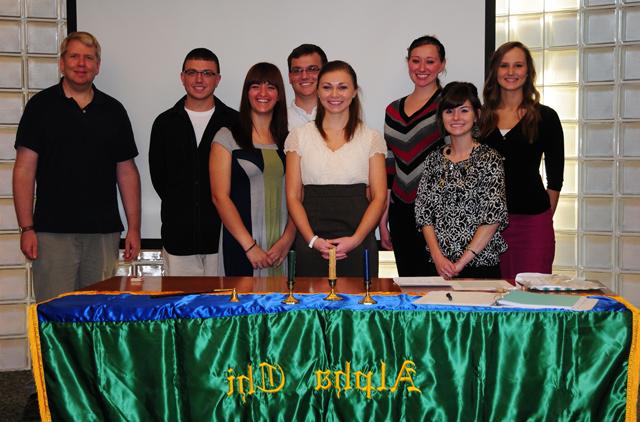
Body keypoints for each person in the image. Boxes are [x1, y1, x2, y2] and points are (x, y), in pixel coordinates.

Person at [12, 31, 141, 301]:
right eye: (74, 57)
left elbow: (127, 172)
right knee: (56, 319)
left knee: (98, 318)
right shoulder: (40, 107)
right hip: (51, 234)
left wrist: (135, 228)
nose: (81, 64)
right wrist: (26, 228)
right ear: (62, 63)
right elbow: (24, 170)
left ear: (97, 66)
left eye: (89, 58)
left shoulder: (113, 110)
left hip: (103, 235)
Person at [285, 60, 387, 277]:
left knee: (359, 309)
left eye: (342, 87)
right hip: (311, 242)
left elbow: (379, 197)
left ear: (354, 92)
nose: (334, 94)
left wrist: (356, 240)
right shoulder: (298, 136)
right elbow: (293, 196)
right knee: (311, 309)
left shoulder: (371, 138)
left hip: (358, 242)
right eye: (327, 87)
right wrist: (313, 240)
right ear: (318, 91)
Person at [149, 48, 238, 276]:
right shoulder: (164, 123)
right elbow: (159, 179)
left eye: (207, 73)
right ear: (182, 77)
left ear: (218, 80)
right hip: (178, 239)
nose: (199, 79)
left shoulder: (235, 123)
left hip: (223, 238)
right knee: (183, 308)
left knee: (223, 309)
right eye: (192, 72)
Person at [480, 41, 564, 279]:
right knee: (492, 299)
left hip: (532, 224)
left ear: (528, 71)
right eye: (504, 66)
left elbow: (555, 178)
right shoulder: (480, 118)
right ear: (495, 71)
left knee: (532, 297)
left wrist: (544, 219)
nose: (511, 72)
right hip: (487, 227)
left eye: (518, 65)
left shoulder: (546, 117)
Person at [415, 82, 508, 279]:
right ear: (441, 116)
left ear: (477, 115)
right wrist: (438, 258)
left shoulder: (489, 159)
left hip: (481, 266)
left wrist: (460, 263)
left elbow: (492, 218)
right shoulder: (433, 160)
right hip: (438, 267)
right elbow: (424, 214)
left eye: (464, 110)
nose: (456, 117)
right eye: (449, 111)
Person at [210, 63, 295, 276]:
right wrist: (250, 246)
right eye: (256, 86)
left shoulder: (291, 140)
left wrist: (287, 240)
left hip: (281, 249)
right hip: (241, 246)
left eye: (271, 87)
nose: (263, 93)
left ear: (280, 95)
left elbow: (298, 196)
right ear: (247, 92)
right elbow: (219, 197)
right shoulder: (226, 137)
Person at [380, 35, 447, 276]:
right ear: (407, 62)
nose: (422, 68)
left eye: (430, 61)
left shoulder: (450, 106)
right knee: (410, 284)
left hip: (441, 213)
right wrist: (383, 218)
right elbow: (390, 166)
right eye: (416, 60)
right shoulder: (392, 110)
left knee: (440, 288)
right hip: (401, 212)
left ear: (442, 65)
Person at [286, 44, 328, 130]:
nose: (304, 76)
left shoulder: (340, 118)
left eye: (312, 69)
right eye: (297, 70)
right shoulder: (277, 122)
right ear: (290, 77)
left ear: (325, 74)